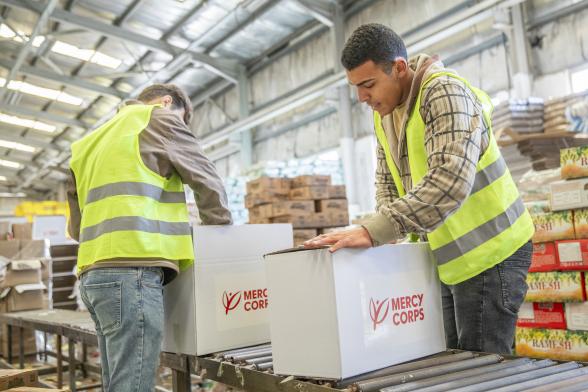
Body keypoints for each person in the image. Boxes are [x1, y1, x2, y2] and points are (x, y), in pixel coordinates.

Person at [305, 23, 534, 355]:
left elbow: (449, 181)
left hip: (491, 250)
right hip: (446, 257)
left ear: (399, 68)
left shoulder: (444, 92)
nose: (362, 97)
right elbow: (386, 181)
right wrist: (378, 230)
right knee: (446, 360)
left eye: (368, 84)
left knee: (479, 366)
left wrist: (377, 230)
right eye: (355, 87)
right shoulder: (385, 111)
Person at [67, 83, 232, 391]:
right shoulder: (159, 118)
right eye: (183, 120)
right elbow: (207, 181)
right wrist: (221, 239)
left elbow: (75, 228)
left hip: (93, 277)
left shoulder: (87, 143)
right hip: (133, 273)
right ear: (168, 102)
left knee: (118, 383)